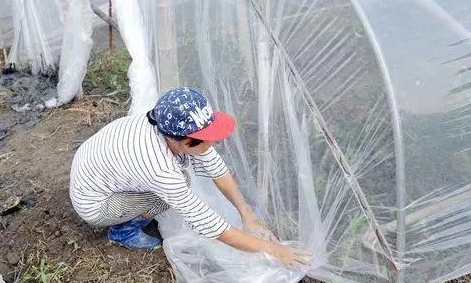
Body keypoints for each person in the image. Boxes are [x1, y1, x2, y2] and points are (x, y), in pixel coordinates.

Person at [69, 87, 310, 266]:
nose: (213, 142)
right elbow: (208, 224)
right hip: (96, 204)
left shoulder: (168, 123)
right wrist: (274, 250)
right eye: (207, 139)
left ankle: (134, 212)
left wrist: (246, 214)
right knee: (173, 190)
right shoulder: (160, 169)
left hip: (95, 176)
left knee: (180, 181)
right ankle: (123, 231)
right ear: (179, 140)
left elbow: (216, 166)